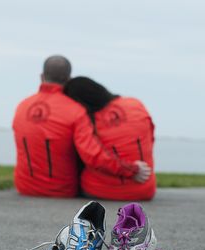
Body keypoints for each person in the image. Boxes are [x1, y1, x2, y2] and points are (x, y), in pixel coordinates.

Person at [12, 56, 150, 197]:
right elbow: (91, 153)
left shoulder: (21, 107)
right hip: (62, 190)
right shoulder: (75, 110)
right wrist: (131, 169)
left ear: (41, 76)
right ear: (68, 78)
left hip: (24, 188)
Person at [64, 76, 156, 200]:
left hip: (102, 191)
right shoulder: (135, 104)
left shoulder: (86, 119)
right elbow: (149, 138)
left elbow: (93, 156)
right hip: (145, 189)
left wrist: (131, 170)